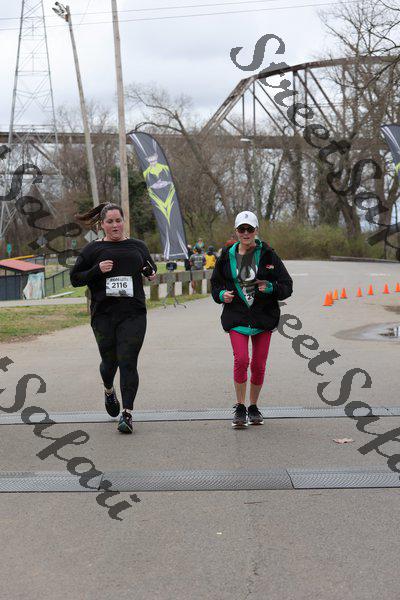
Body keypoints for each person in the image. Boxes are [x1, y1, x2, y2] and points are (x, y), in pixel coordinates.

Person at [70, 202, 157, 434]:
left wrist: (150, 273)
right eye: (110, 221)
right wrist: (96, 270)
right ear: (102, 225)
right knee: (110, 363)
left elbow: (150, 269)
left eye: (118, 220)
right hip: (104, 316)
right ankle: (109, 389)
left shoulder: (138, 246)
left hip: (133, 314)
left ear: (123, 221)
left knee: (128, 361)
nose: (115, 225)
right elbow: (75, 279)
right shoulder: (92, 250)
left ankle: (127, 414)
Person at [211, 210, 293, 428]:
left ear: (256, 230)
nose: (246, 233)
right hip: (236, 316)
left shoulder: (268, 255)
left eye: (249, 229)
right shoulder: (226, 256)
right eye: (242, 229)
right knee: (241, 360)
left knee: (258, 364)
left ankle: (253, 407)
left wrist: (271, 287)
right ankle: (240, 407)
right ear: (236, 231)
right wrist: (221, 295)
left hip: (263, 318)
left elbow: (287, 286)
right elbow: (215, 285)